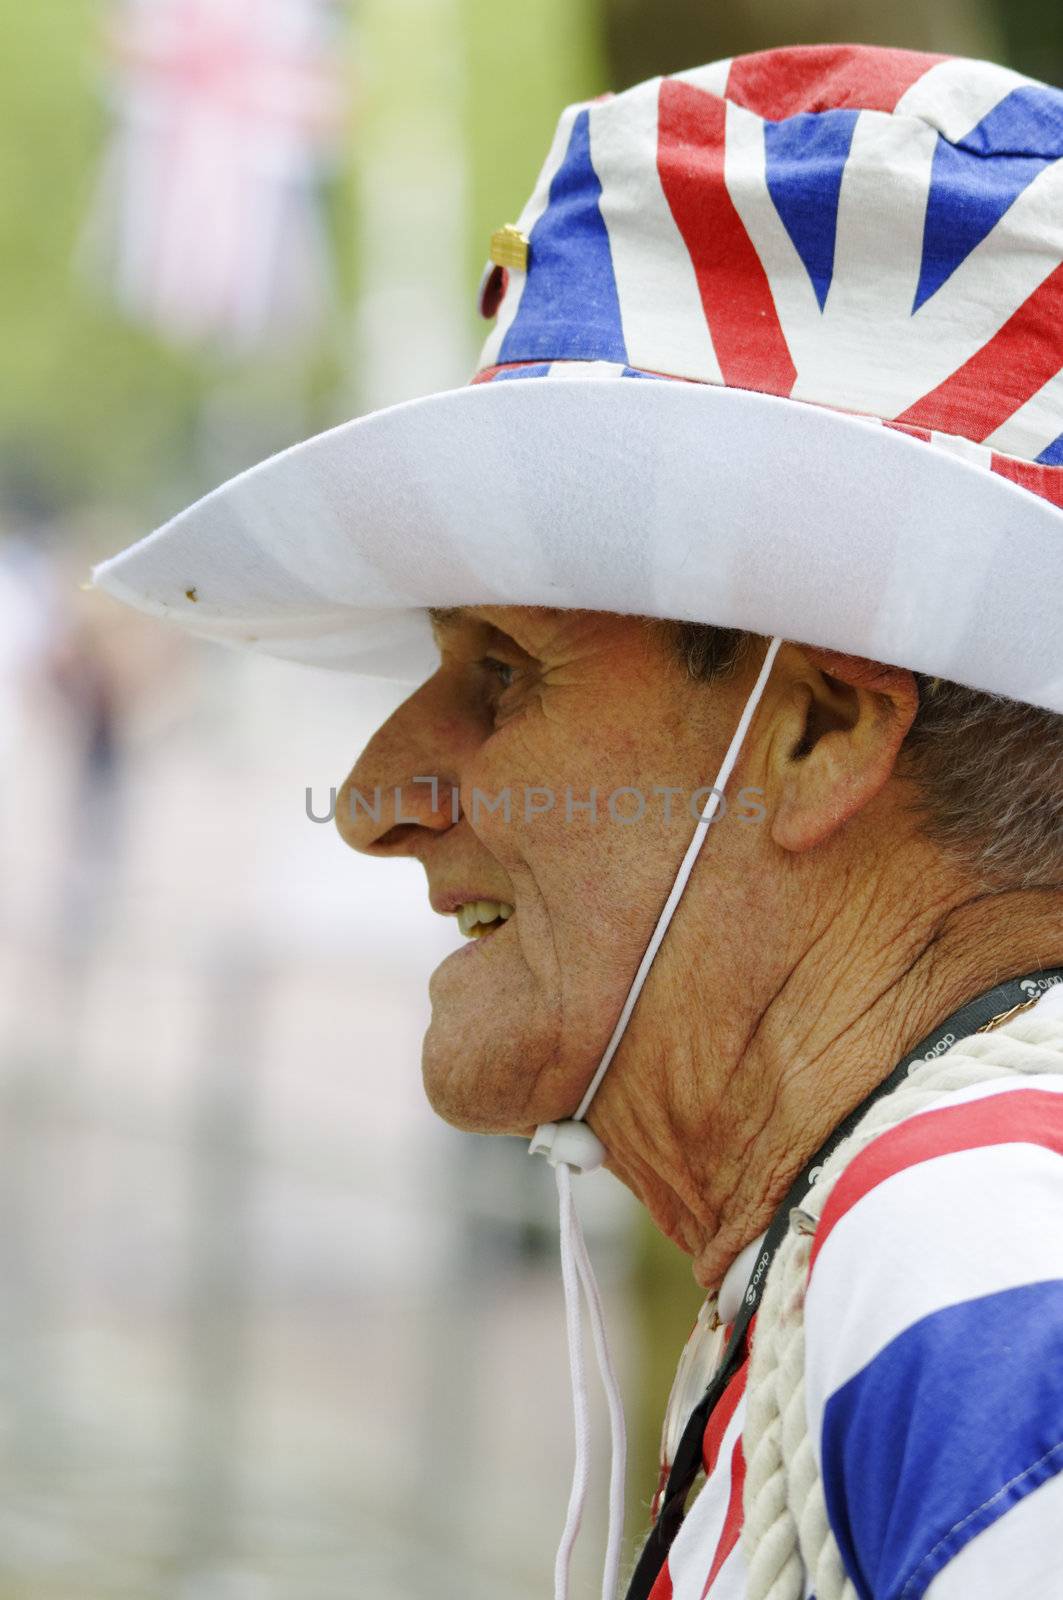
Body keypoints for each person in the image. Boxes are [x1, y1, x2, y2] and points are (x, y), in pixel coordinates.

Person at [94, 42, 1063, 1600]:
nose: (370, 803)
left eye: (503, 668)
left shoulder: (979, 1255)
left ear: (814, 731)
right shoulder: (935, 1241)